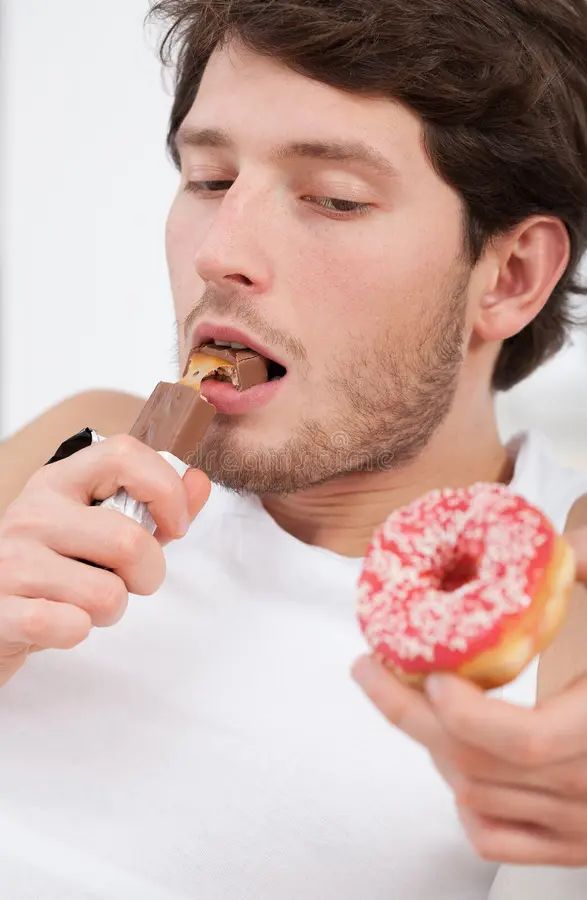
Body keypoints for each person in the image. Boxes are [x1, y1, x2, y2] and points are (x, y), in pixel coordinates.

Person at [0, 1, 587, 897]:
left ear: (507, 278)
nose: (221, 253)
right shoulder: (74, 451)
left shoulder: (560, 597)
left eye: (334, 199)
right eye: (207, 178)